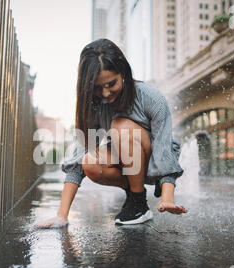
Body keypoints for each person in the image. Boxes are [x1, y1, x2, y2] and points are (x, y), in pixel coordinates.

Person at [37, 39, 187, 228]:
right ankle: (135, 197)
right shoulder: (94, 106)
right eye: (98, 87)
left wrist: (167, 198)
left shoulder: (150, 96)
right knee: (89, 162)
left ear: (122, 73)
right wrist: (61, 216)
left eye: (111, 84)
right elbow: (77, 161)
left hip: (154, 161)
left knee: (120, 126)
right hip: (130, 164)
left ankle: (138, 202)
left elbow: (164, 150)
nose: (106, 93)